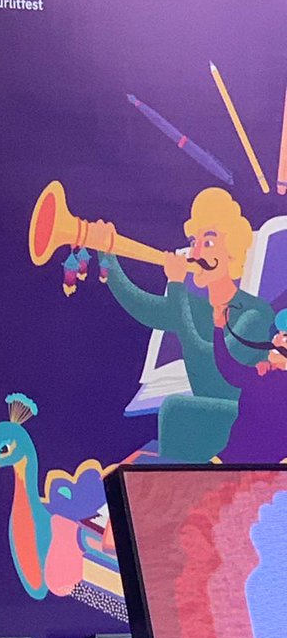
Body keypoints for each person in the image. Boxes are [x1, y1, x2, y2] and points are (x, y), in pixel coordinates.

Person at [95, 188, 272, 461]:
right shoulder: (194, 307)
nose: (196, 252)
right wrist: (107, 254)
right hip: (215, 421)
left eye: (209, 242)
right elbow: (142, 307)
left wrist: (177, 286)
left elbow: (215, 369)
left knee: (176, 411)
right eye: (194, 241)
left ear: (233, 252)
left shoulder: (255, 313)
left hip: (249, 421)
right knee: (179, 413)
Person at [212, 303, 287, 462]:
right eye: (277, 335)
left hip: (275, 464)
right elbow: (229, 369)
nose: (278, 339)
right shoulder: (261, 375)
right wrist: (218, 328)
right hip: (234, 457)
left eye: (285, 337)